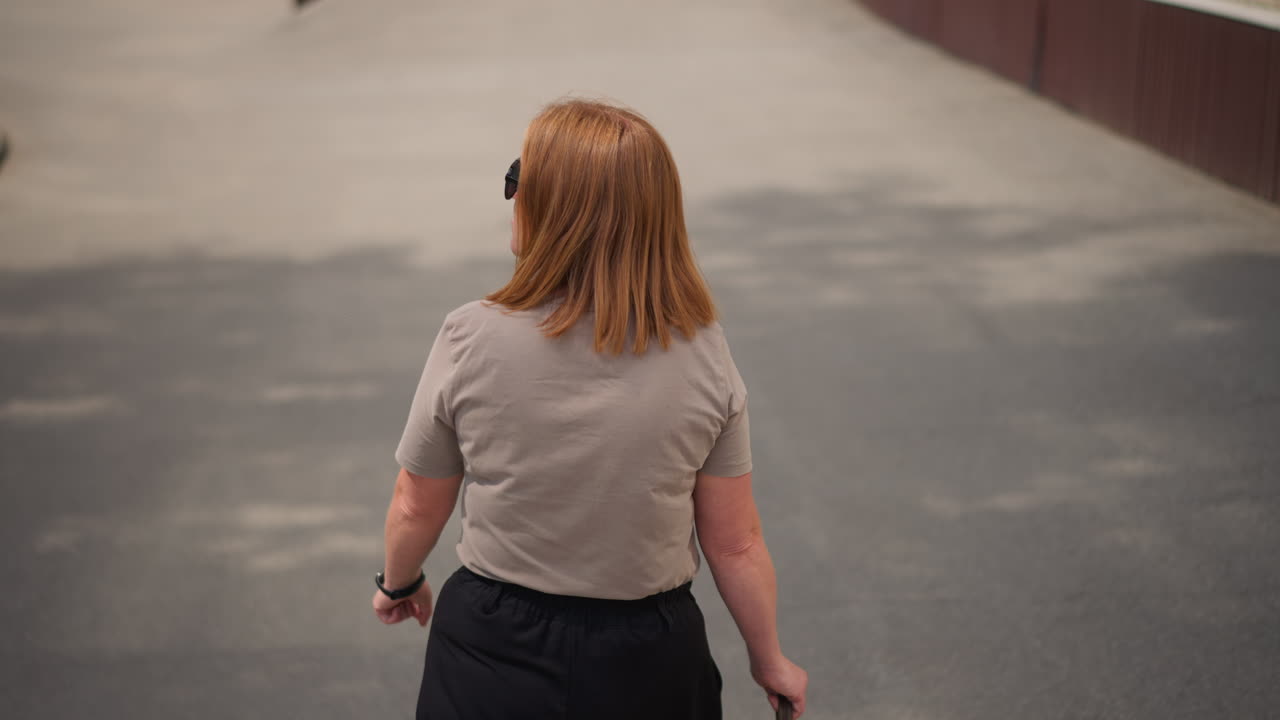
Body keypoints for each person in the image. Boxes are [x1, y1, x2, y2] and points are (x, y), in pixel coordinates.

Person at [371, 98, 808, 720]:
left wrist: (400, 581)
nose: (511, 193)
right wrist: (769, 660)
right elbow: (735, 544)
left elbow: (416, 501)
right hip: (651, 657)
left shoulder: (469, 336)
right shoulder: (702, 349)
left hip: (492, 648)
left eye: (518, 179)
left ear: (550, 208)